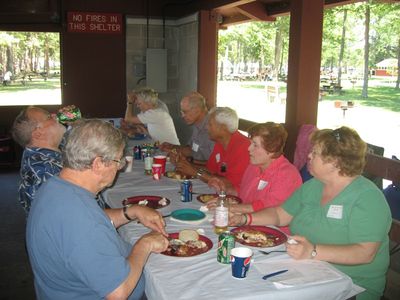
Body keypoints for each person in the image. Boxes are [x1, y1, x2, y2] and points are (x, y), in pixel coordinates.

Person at [230, 126, 391, 300]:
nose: (308, 156)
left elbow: (365, 252)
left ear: (335, 162)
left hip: (352, 286)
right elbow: (280, 214)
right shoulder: (314, 185)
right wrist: (244, 219)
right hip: (308, 271)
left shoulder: (368, 198)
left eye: (315, 153)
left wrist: (313, 251)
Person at [26, 119, 169, 299]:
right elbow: (118, 292)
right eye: (118, 161)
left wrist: (130, 211)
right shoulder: (81, 219)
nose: (119, 167)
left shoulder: (56, 187)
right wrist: (144, 244)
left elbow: (91, 221)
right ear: (98, 164)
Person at [207, 122, 302, 234]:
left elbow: (266, 207)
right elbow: (243, 192)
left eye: (255, 145)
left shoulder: (287, 174)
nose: (248, 148)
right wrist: (225, 189)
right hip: (247, 226)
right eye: (250, 143)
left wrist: (231, 207)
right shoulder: (254, 166)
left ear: (271, 150)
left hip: (272, 234)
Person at [176, 107, 250, 193]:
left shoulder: (244, 148)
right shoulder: (220, 142)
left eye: (210, 124)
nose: (207, 127)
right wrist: (186, 165)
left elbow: (229, 183)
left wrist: (195, 172)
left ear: (223, 128)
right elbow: (211, 169)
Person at [11, 106, 66, 214]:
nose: (55, 116)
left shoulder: (46, 153)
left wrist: (76, 123)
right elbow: (70, 217)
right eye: (49, 117)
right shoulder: (44, 172)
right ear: (37, 134)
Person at [160, 91, 214, 165]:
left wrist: (188, 161)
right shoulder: (197, 124)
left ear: (197, 110)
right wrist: (174, 148)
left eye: (185, 112)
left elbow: (216, 165)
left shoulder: (213, 128)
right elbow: (191, 149)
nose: (182, 116)